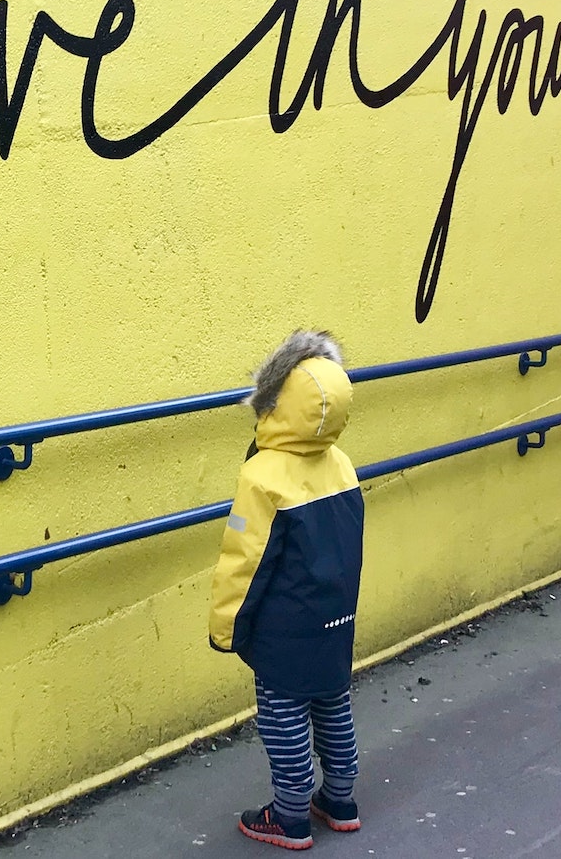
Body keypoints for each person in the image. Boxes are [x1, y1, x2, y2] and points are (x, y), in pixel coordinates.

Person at [208, 330, 364, 849]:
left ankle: (290, 813)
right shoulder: (341, 464)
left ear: (273, 403)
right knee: (333, 702)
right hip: (335, 616)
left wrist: (225, 627)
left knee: (283, 714)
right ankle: (339, 797)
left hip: (285, 626)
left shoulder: (262, 475)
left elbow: (243, 560)